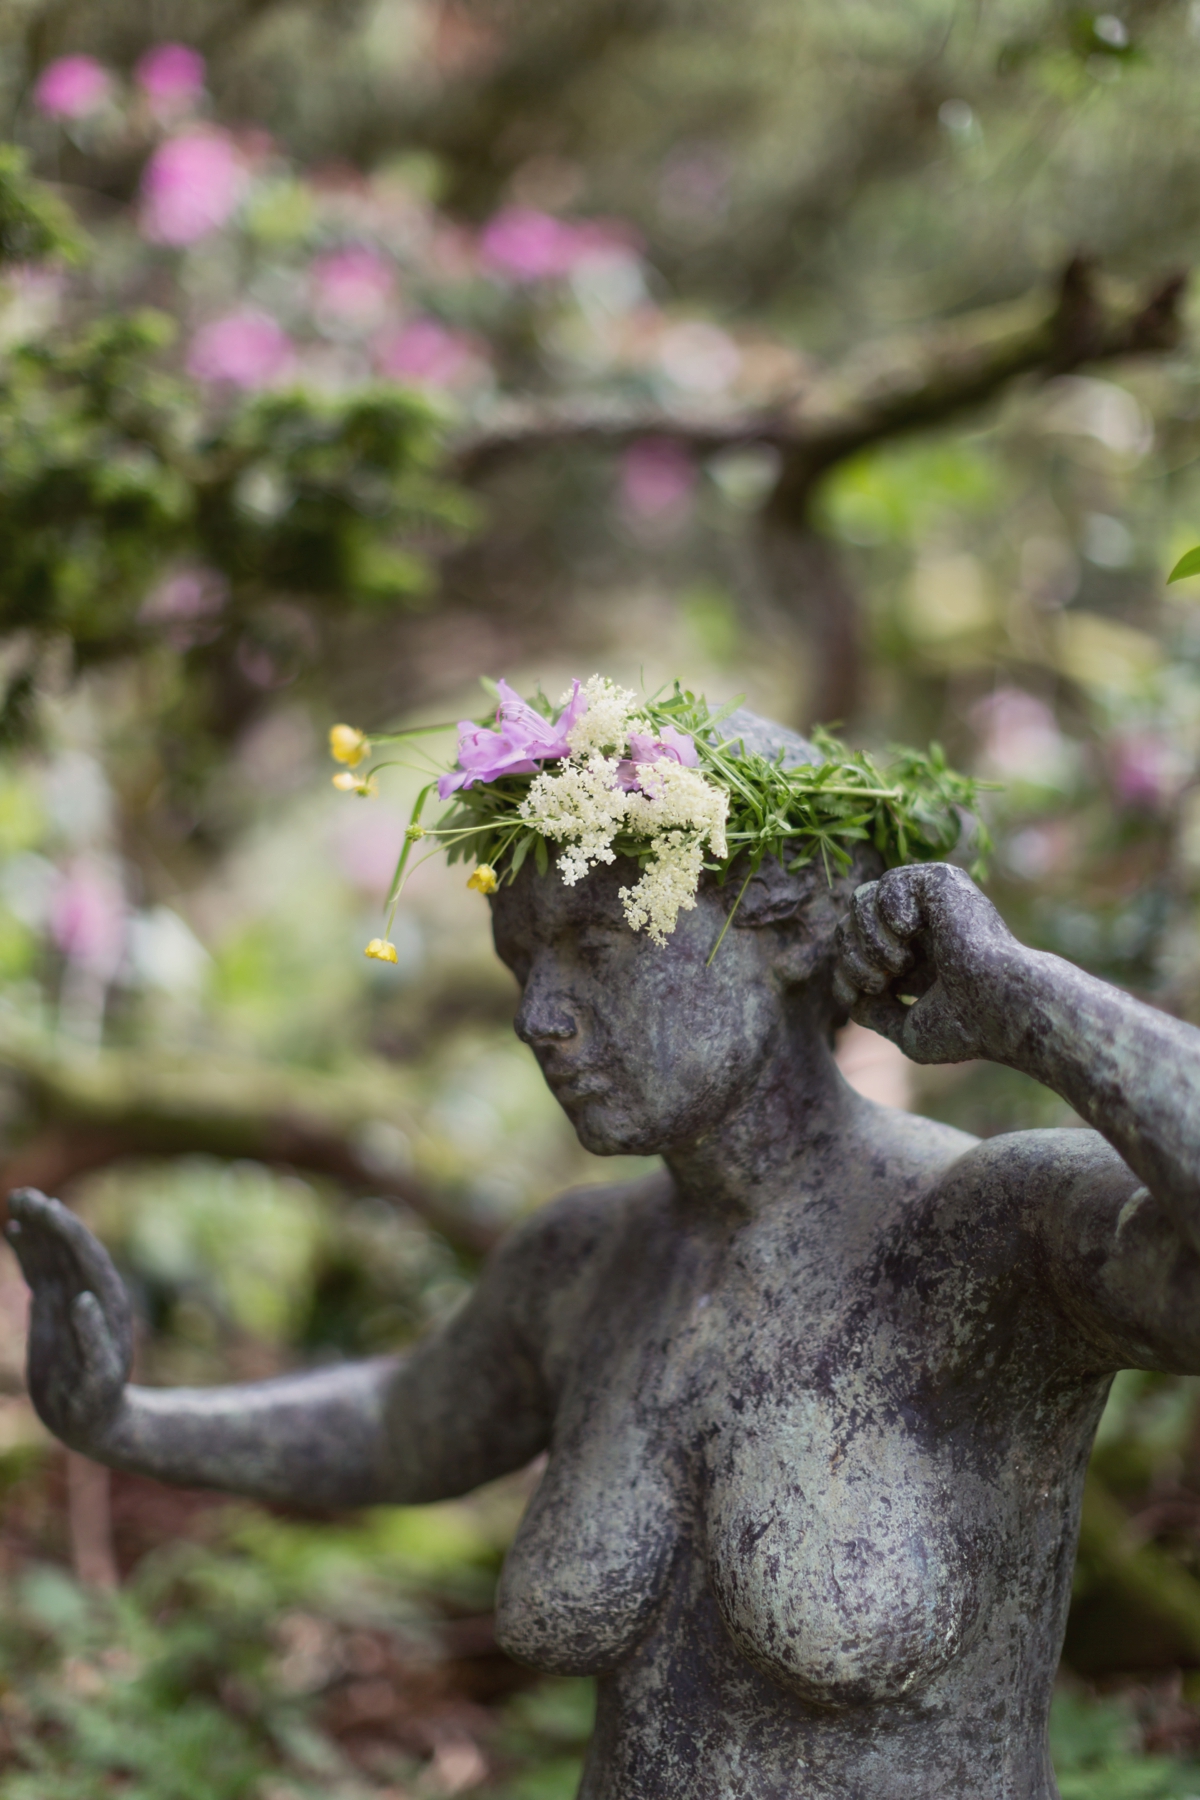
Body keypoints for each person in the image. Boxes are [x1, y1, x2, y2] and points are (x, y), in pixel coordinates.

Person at [10, 714, 1200, 1800]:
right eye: (522, 962)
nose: (540, 1015)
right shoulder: (583, 1263)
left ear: (785, 922)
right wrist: (125, 1420)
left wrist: (1023, 998)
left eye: (595, 943)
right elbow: (400, 1422)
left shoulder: (987, 1231)